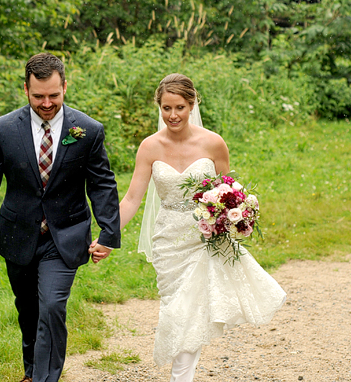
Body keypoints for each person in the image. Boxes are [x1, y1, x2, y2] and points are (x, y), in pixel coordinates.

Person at [91, 73, 285, 382]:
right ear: (159, 108)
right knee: (176, 310)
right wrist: (107, 237)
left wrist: (238, 214)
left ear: (192, 105)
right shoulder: (149, 147)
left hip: (205, 237)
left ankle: (180, 378)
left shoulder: (213, 143)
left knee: (191, 311)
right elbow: (130, 199)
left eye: (179, 107)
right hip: (169, 241)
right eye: (166, 108)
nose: (172, 115)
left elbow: (229, 190)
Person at [0, 53, 121, 382]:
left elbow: (102, 183)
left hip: (66, 235)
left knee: (52, 307)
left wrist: (108, 234)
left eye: (54, 95)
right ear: (25, 89)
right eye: (38, 96)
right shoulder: (3, 129)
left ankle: (44, 379)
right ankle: (32, 371)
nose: (46, 103)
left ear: (65, 86)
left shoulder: (87, 130)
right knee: (29, 309)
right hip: (18, 234)